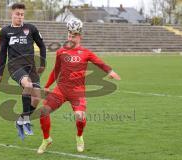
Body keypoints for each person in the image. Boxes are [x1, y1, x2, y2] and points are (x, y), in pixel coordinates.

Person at [37, 19, 121, 154]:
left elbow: (99, 63)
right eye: (69, 35)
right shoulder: (61, 52)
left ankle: (79, 136)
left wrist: (110, 71)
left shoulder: (86, 52)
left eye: (73, 36)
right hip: (61, 90)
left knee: (80, 117)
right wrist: (47, 86)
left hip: (77, 92)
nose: (70, 38)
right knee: (43, 112)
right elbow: (56, 70)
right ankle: (46, 139)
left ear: (80, 36)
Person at [0, 3, 46, 140]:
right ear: (12, 14)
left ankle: (20, 120)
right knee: (28, 85)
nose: (20, 17)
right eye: (17, 14)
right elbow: (3, 53)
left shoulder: (31, 28)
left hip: (31, 66)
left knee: (37, 97)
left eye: (22, 14)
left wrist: (43, 62)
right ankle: (27, 119)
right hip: (14, 65)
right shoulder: (5, 31)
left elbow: (42, 45)